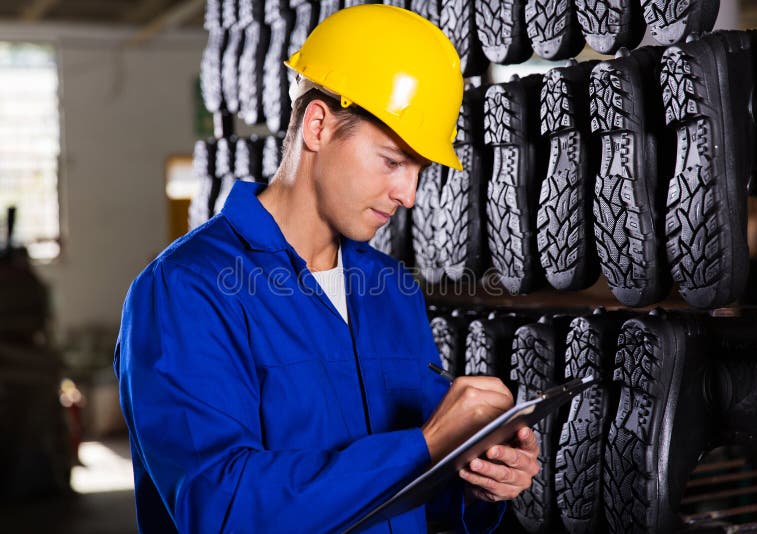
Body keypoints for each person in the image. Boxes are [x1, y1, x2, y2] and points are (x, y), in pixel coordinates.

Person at [115, 5, 539, 533]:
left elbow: (420, 494)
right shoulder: (186, 290)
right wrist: (423, 445)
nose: (407, 194)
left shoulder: (390, 289)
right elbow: (219, 507)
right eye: (392, 161)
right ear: (318, 124)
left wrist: (478, 479)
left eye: (419, 171)